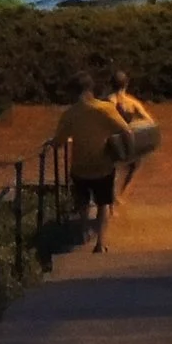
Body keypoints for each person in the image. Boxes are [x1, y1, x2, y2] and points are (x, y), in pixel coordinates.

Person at [53, 69, 131, 252]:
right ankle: (100, 243)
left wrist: (53, 142)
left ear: (73, 92)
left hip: (79, 167)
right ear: (91, 89)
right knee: (104, 203)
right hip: (102, 165)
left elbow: (58, 143)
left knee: (82, 202)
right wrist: (126, 153)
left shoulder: (69, 115)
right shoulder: (105, 109)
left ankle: (83, 232)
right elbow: (126, 131)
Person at [107, 69, 155, 195]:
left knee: (111, 169)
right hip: (127, 140)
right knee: (135, 165)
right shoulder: (132, 103)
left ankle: (111, 198)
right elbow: (149, 121)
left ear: (110, 84)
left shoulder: (107, 101)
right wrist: (133, 126)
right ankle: (122, 193)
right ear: (126, 84)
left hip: (111, 140)